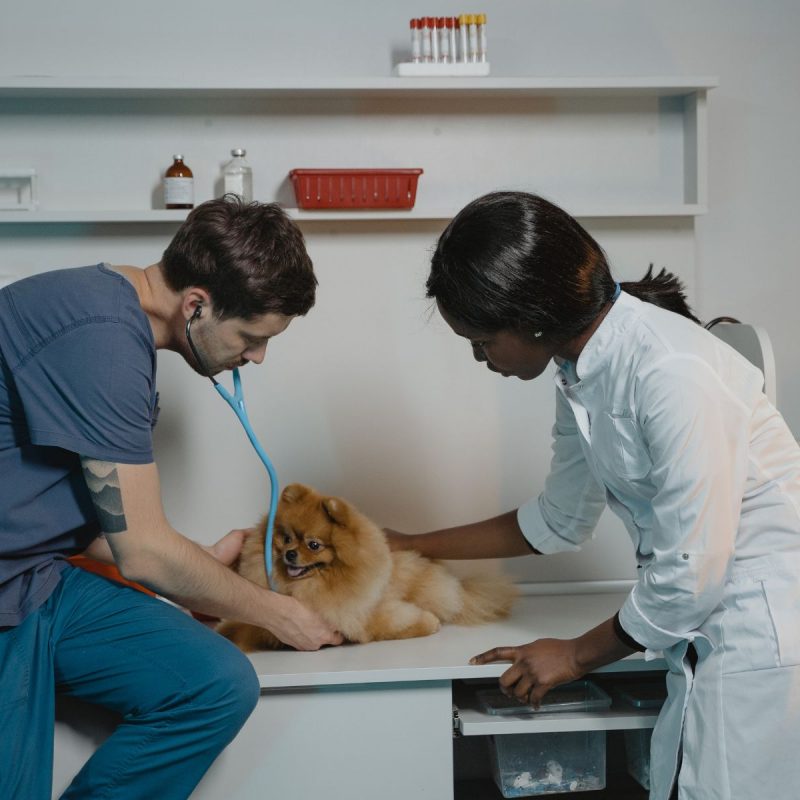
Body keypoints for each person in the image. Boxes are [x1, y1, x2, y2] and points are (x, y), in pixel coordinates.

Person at [387, 191, 800, 799]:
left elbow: (691, 574)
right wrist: (407, 546)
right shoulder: (579, 371)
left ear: (530, 316)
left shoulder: (669, 369)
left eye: (481, 339)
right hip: (708, 629)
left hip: (762, 633)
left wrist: (576, 657)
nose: (479, 357)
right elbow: (558, 520)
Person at [0, 196, 343, 799]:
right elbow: (145, 555)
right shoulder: (101, 341)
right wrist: (278, 613)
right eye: (252, 336)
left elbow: (77, 517)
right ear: (197, 304)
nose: (258, 356)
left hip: (37, 580)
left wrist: (203, 564)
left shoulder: (110, 320)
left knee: (213, 682)